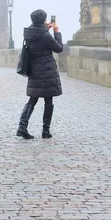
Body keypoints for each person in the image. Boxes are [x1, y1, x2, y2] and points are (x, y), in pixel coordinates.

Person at [16, 10, 63, 140]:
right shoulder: (46, 36)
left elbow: (38, 38)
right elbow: (59, 48)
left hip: (34, 70)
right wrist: (56, 31)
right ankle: (45, 131)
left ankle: (22, 127)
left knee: (33, 99)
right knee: (48, 100)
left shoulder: (29, 33)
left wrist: (45, 29)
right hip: (47, 70)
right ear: (43, 20)